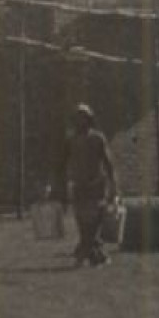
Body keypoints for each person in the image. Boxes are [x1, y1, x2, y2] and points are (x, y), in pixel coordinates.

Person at [53, 104, 120, 268]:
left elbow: (108, 163)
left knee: (95, 221)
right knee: (83, 222)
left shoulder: (98, 138)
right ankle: (97, 255)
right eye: (77, 118)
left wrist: (114, 187)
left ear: (89, 120)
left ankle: (82, 254)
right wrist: (57, 185)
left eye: (83, 117)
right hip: (79, 186)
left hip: (96, 185)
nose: (80, 121)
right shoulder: (71, 140)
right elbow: (61, 164)